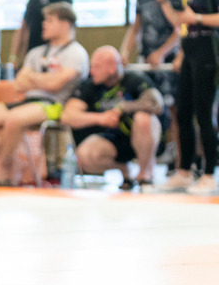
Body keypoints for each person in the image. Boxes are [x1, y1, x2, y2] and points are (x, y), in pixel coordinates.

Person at [0, 2, 89, 184]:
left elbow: (56, 84)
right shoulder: (36, 53)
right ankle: (13, 160)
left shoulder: (76, 53)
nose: (44, 24)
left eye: (50, 20)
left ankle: (6, 168)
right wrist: (42, 80)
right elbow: (19, 85)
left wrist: (32, 78)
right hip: (27, 101)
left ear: (65, 24)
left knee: (13, 119)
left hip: (55, 105)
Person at [157, 0, 219, 194]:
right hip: (190, 49)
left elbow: (206, 18)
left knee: (204, 113)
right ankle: (184, 170)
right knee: (183, 112)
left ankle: (208, 173)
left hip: (209, 48)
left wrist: (198, 19)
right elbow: (181, 21)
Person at [61, 47, 165, 191]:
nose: (92, 71)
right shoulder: (91, 85)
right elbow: (67, 116)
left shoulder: (134, 79)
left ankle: (145, 175)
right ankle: (125, 171)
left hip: (140, 138)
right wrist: (100, 118)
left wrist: (123, 107)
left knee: (143, 118)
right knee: (84, 155)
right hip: (113, 141)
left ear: (112, 67)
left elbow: (156, 104)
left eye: (96, 67)